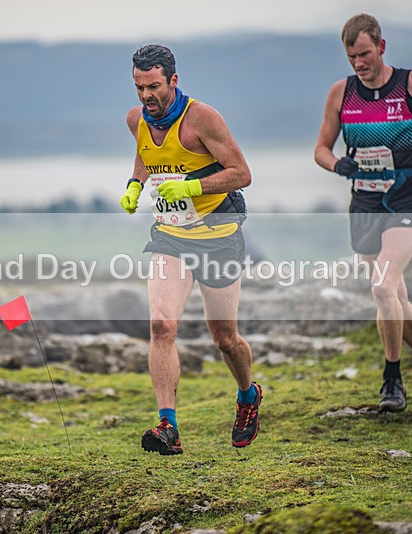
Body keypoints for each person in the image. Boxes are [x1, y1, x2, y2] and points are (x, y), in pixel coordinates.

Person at [314, 14, 412, 412]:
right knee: (393, 295)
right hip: (364, 202)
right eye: (351, 57)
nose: (358, 63)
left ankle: (392, 379)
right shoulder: (340, 94)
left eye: (364, 54)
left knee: (382, 288)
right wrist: (337, 165)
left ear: (381, 47)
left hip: (408, 198)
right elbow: (321, 149)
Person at [119, 44, 262, 455]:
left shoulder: (202, 118)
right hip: (170, 234)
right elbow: (147, 158)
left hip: (218, 232)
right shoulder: (136, 120)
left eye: (154, 86)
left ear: (174, 81)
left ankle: (248, 396)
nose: (146, 95)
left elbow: (242, 174)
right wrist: (133, 186)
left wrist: (193, 186)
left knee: (224, 338)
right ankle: (168, 426)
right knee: (161, 326)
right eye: (139, 87)